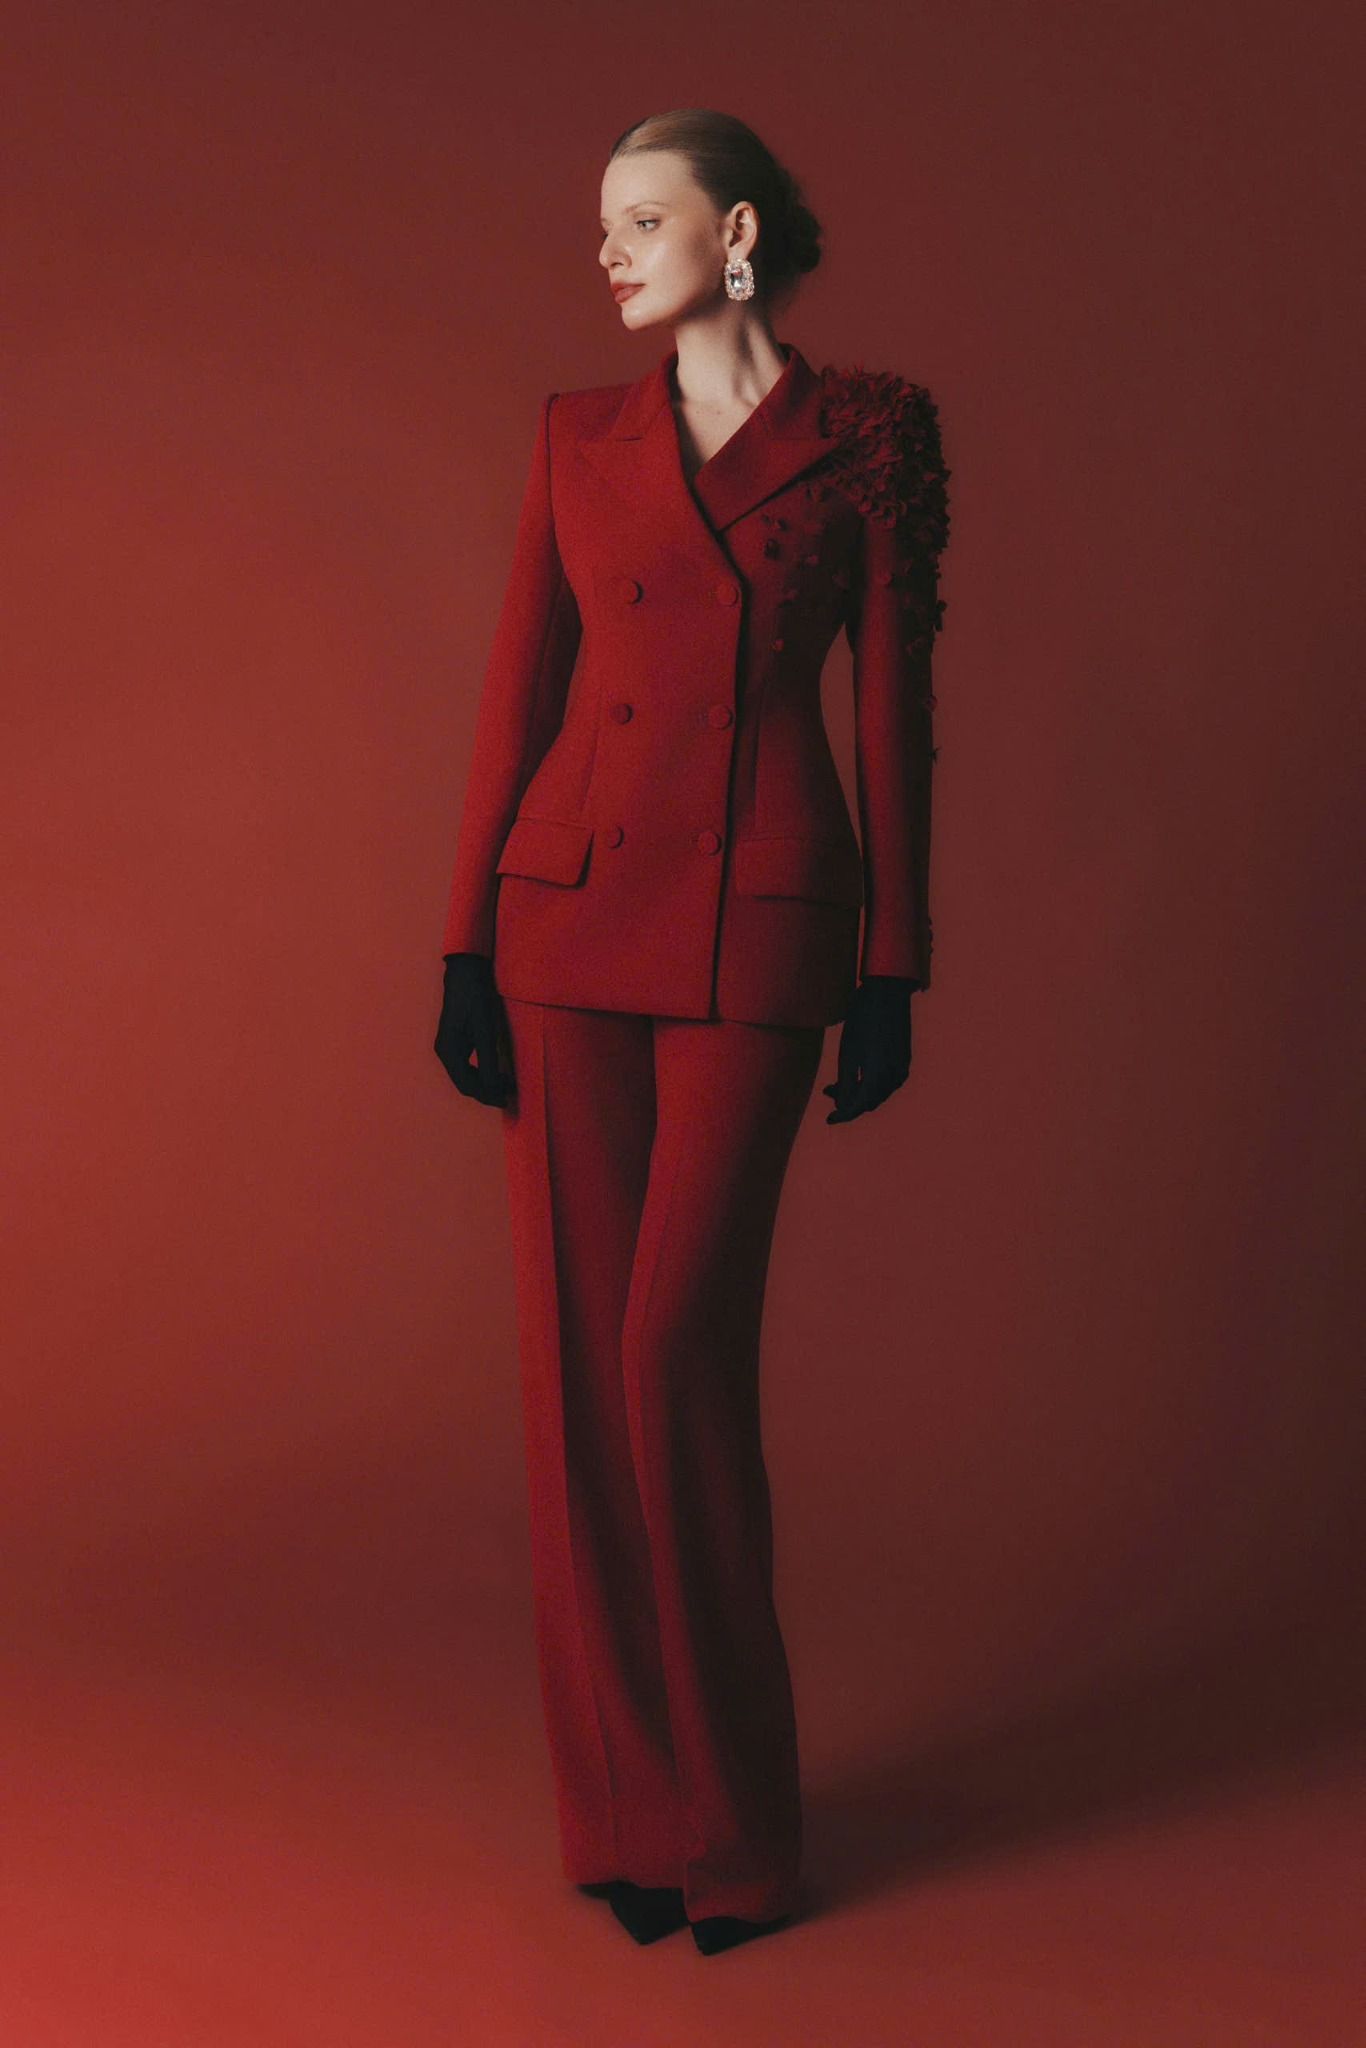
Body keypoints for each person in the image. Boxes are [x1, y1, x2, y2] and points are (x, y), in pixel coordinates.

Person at [433, 107, 950, 1954]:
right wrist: (461, 945)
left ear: (735, 236)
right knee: (578, 1380)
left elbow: (889, 710)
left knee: (671, 1352)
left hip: (760, 923)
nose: (605, 251)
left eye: (637, 221)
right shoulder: (572, 437)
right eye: (600, 225)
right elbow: (517, 694)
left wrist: (891, 965)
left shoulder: (869, 437)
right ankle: (627, 1824)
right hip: (565, 916)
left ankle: (736, 1832)